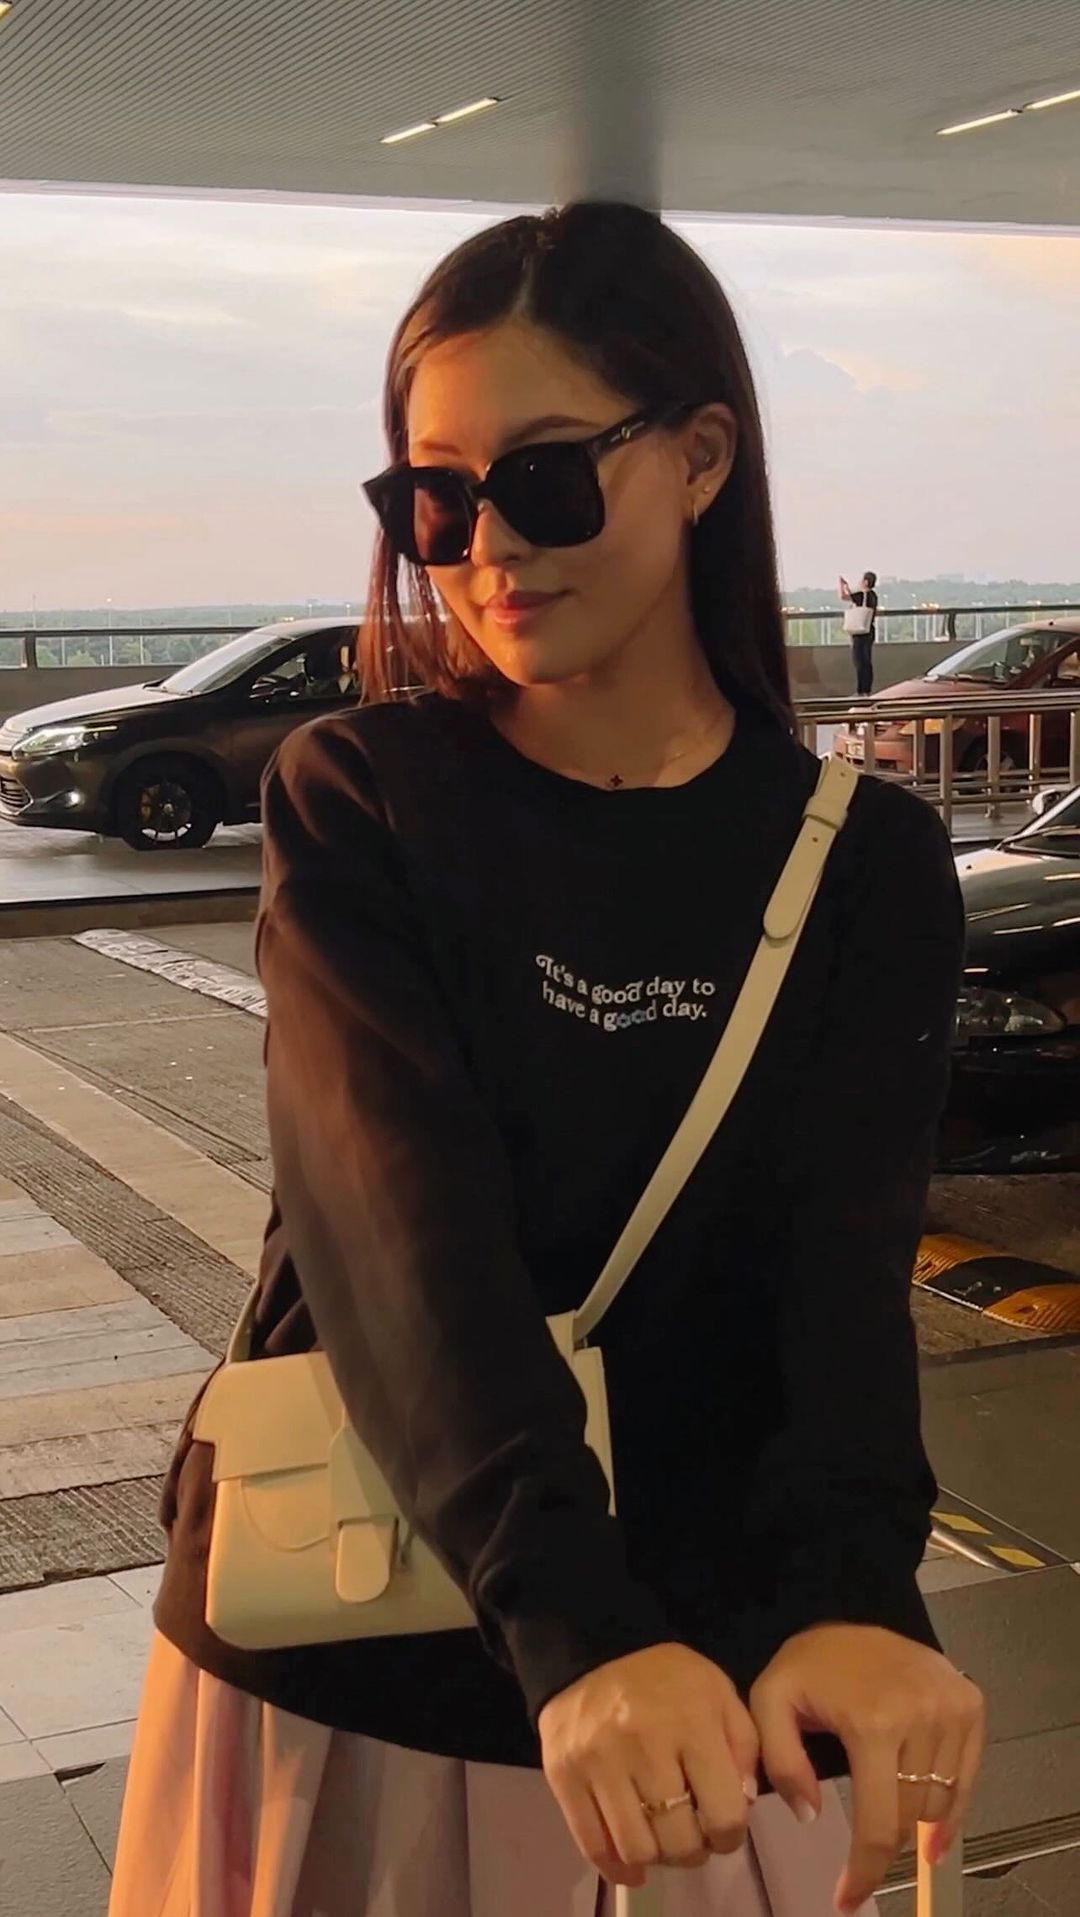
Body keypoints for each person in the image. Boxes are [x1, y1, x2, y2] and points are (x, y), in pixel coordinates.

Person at [110, 203, 983, 1917]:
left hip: (702, 1710)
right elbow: (395, 1240)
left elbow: (840, 1282)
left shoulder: (863, 859)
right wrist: (575, 1630)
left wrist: (861, 1600)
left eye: (546, 476)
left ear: (701, 458)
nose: (486, 544)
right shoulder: (361, 794)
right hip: (359, 1659)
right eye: (434, 496)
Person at [840, 570, 879, 695]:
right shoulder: (873, 596)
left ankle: (860, 690)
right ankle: (867, 689)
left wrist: (842, 585)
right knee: (867, 661)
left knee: (859, 662)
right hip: (869, 630)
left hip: (859, 632)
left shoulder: (862, 595)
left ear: (866, 582)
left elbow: (843, 596)